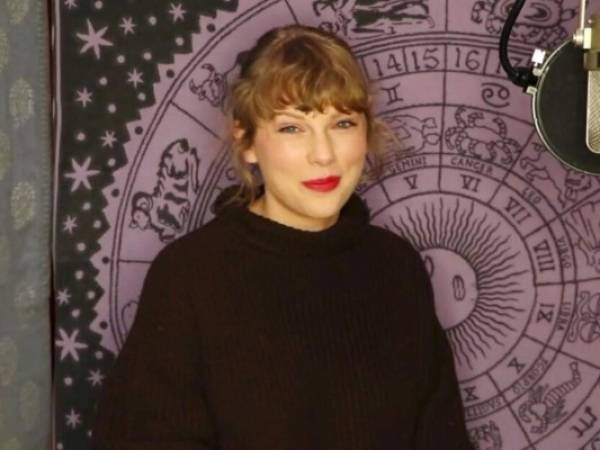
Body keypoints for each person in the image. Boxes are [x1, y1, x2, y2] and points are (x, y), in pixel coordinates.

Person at [91, 24, 473, 450]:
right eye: (293, 128)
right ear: (247, 140)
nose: (323, 154)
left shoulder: (398, 268)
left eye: (342, 123)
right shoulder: (189, 277)